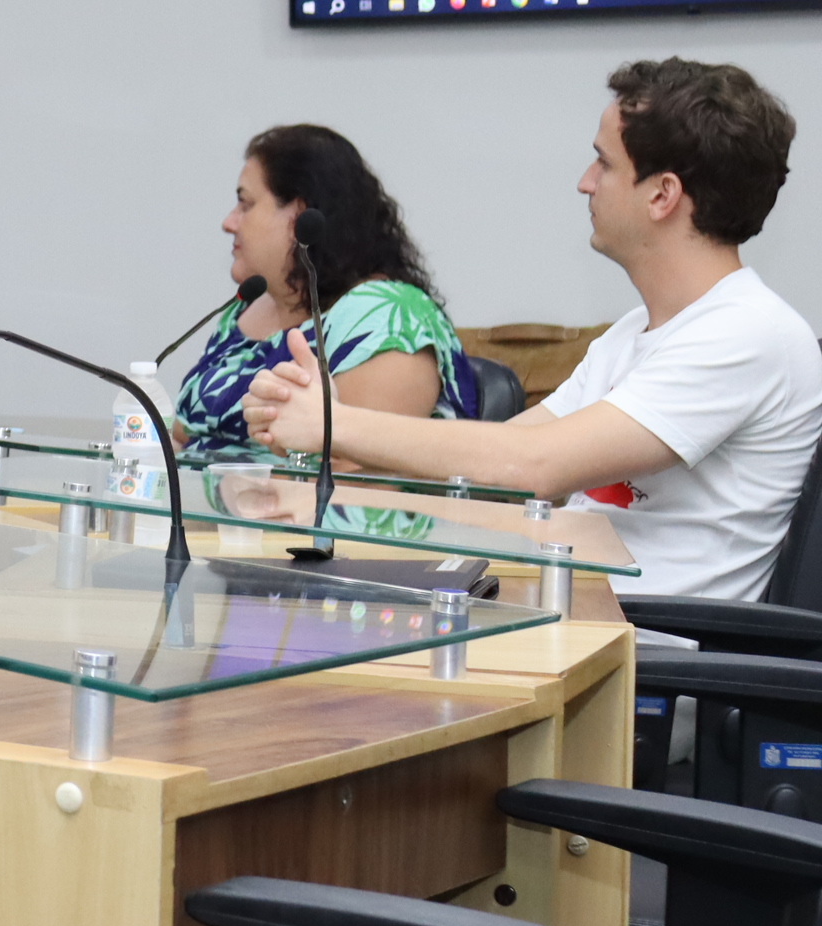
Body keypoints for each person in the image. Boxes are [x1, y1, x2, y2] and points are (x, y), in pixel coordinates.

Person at [245, 60, 822, 601]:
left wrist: (335, 424)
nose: (585, 182)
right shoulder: (634, 334)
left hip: (654, 651)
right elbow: (495, 474)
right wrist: (330, 452)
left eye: (605, 164)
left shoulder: (748, 334)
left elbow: (534, 466)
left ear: (662, 194)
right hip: (576, 615)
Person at [174, 125, 479, 459]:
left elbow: (356, 474)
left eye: (246, 204)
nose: (229, 222)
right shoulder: (246, 309)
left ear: (298, 216)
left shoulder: (390, 319)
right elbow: (184, 434)